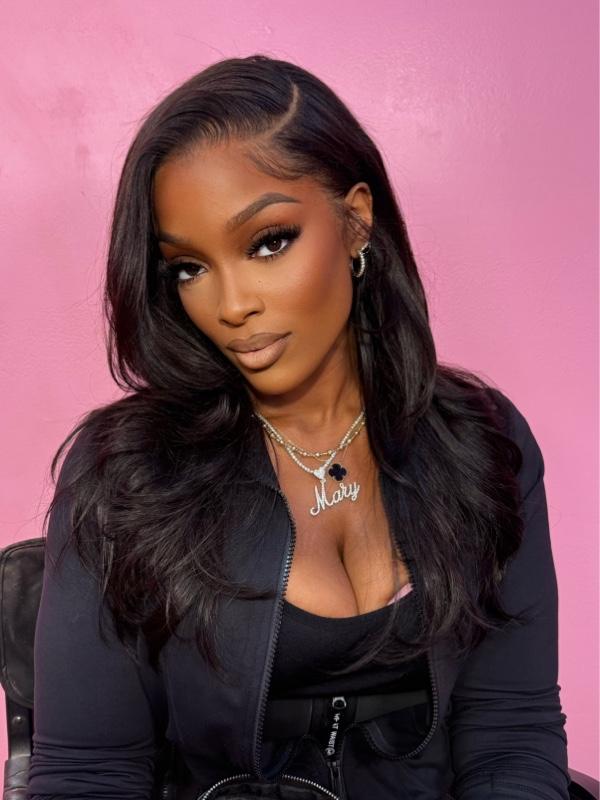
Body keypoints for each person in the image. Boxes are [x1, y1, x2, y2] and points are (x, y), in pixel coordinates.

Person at [26, 55, 571, 800]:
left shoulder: (483, 445)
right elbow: (89, 777)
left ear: (355, 221)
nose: (231, 305)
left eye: (268, 241)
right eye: (188, 267)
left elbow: (512, 733)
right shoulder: (126, 475)